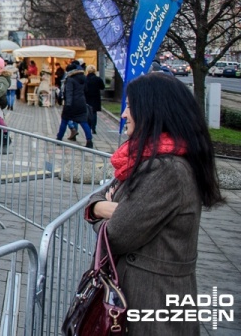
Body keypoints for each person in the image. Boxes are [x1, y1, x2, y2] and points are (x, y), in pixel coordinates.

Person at [84, 73, 223, 336]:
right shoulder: (144, 158)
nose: (124, 114)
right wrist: (102, 208)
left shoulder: (165, 169)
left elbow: (117, 235)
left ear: (151, 111)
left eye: (130, 107)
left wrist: (108, 212)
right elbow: (98, 198)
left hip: (153, 306)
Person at [56, 61, 93, 148]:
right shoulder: (84, 78)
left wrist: (67, 105)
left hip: (71, 103)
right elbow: (86, 90)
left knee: (64, 121)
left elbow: (69, 93)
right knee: (84, 122)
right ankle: (89, 140)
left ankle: (59, 138)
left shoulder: (70, 79)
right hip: (81, 103)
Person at [84, 65, 105, 135]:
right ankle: (93, 128)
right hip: (95, 97)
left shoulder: (85, 79)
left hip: (87, 97)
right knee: (94, 113)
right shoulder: (98, 79)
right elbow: (102, 87)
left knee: (87, 113)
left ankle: (88, 126)